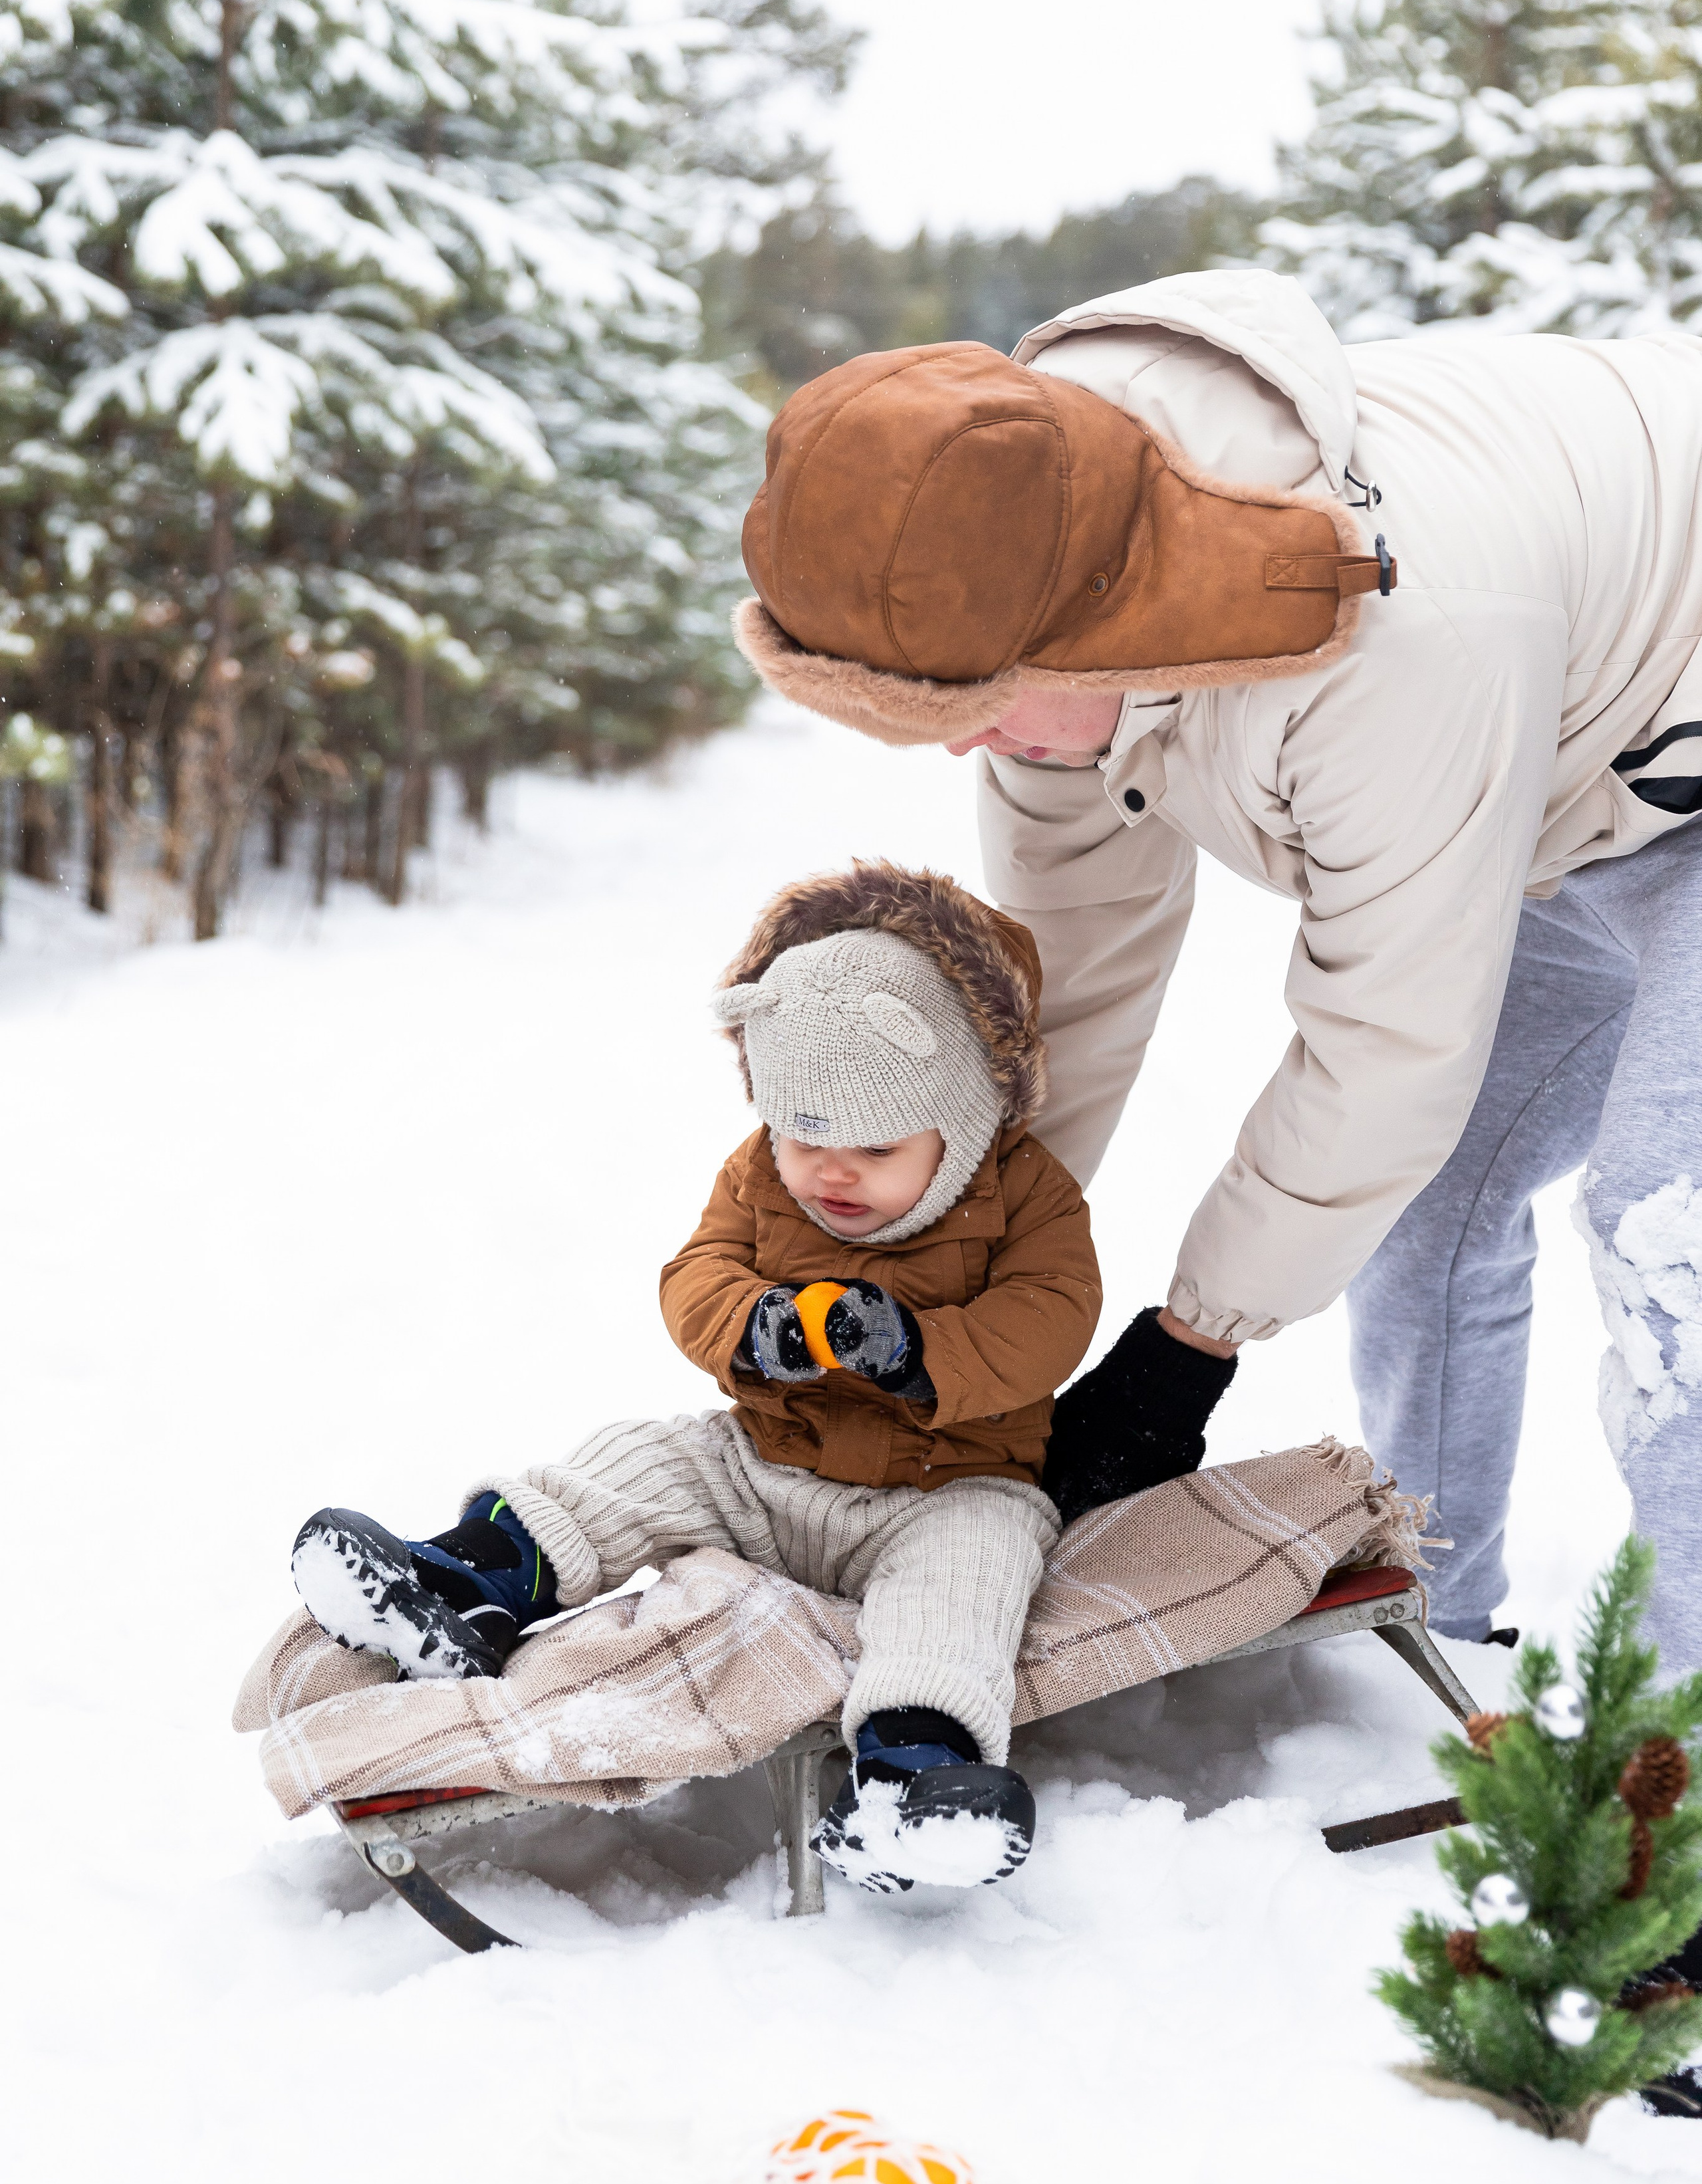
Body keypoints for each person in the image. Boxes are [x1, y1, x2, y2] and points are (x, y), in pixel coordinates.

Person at [730, 269, 1702, 1700]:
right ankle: (1436, 1627)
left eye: (978, 710)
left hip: (1630, 730)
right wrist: (938, 1276)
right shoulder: (1028, 540)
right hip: (1571, 776)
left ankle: (1682, 1811)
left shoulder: (1396, 635)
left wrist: (1183, 1352)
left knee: (1664, 1237)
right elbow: (1063, 979)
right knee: (1426, 1205)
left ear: (1095, 628)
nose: (961, 751)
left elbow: (1384, 1043)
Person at [290, 861, 1100, 1893]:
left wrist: (915, 1353)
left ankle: (915, 1775)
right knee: (642, 1458)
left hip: (944, 1490)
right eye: (803, 1134)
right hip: (767, 1461)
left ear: (964, 1125)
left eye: (874, 1147)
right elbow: (697, 1275)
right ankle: (463, 1579)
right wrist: (751, 1330)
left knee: (970, 1580)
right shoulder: (761, 1171)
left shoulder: (1030, 1194)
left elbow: (1051, 1319)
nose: (829, 1172)